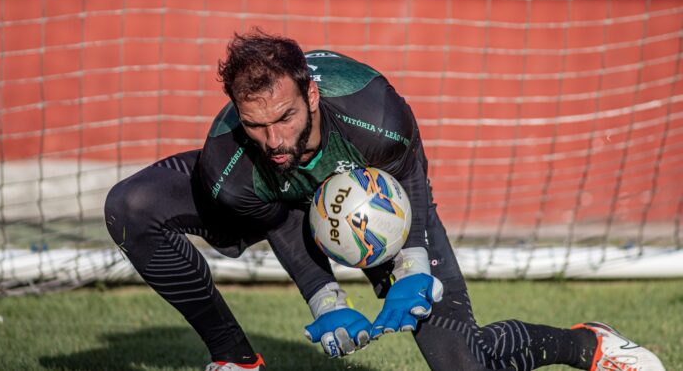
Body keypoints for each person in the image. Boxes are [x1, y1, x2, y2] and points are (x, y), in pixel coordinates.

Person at [104, 30, 666, 371]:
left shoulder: (376, 113)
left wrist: (412, 266)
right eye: (256, 125)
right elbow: (280, 220)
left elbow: (413, 182)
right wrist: (325, 300)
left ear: (312, 94)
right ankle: (235, 358)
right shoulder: (228, 161)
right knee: (131, 207)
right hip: (277, 204)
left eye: (286, 118)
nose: (274, 140)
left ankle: (584, 345)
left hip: (379, 210)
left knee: (462, 364)